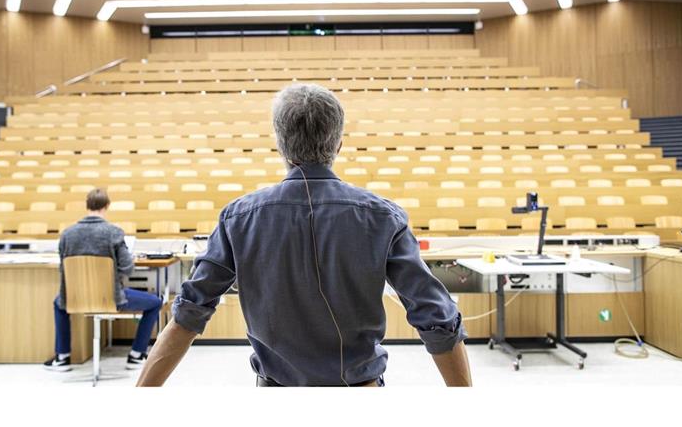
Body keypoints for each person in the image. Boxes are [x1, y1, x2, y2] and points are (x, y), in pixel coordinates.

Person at [137, 83, 472, 387]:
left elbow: (188, 314)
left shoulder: (237, 218)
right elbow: (438, 319)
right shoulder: (384, 217)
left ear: (280, 144)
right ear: (339, 143)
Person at [43, 188, 162, 372]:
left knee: (59, 303)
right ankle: (136, 355)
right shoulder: (114, 232)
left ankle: (62, 357)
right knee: (155, 302)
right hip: (111, 299)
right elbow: (128, 268)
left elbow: (63, 269)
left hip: (76, 298)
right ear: (106, 206)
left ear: (87, 205)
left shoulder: (67, 234)